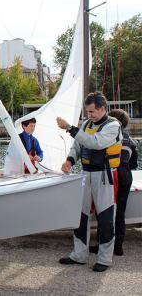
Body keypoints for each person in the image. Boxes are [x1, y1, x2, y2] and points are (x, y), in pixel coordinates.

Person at [56, 91, 123, 272]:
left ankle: (104, 258)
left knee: (106, 218)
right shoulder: (86, 124)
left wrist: (70, 128)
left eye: (92, 111)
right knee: (81, 216)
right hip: (86, 174)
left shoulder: (113, 126)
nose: (89, 115)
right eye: (87, 111)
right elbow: (77, 146)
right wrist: (69, 160)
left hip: (105, 175)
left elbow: (95, 143)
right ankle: (79, 255)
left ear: (102, 109)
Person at [89, 109, 138, 256]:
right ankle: (118, 247)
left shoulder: (107, 137)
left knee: (104, 212)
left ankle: (102, 245)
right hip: (126, 176)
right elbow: (133, 164)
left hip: (111, 175)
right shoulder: (132, 141)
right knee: (120, 212)